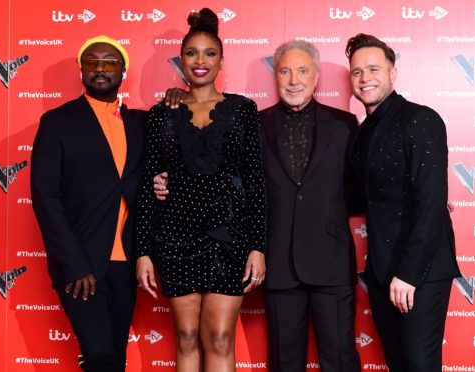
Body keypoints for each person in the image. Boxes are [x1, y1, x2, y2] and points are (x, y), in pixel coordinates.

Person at [156, 40, 361, 372]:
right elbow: (218, 173)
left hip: (331, 261)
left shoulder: (345, 124)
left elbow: (363, 185)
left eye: (302, 71)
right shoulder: (252, 121)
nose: (294, 79)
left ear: (317, 76)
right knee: (284, 362)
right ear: (275, 76)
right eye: (285, 71)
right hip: (277, 261)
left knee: (340, 360)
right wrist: (169, 174)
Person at [134, 8, 266, 372]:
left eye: (209, 53)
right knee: (187, 337)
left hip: (230, 238)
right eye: (192, 53)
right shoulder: (163, 113)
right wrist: (143, 250)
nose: (200, 60)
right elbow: (149, 183)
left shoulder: (242, 109)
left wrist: (258, 245)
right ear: (181, 60)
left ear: (221, 60)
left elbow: (255, 180)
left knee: (220, 338)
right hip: (175, 238)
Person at [345, 33, 460, 372]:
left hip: (419, 272)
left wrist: (408, 275)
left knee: (419, 366)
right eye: (357, 71)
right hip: (382, 271)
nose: (365, 78)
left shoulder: (421, 119)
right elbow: (359, 199)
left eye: (373, 69)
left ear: (393, 74)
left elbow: (430, 201)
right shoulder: (362, 132)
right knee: (398, 365)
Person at [31, 35, 145, 372]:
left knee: (115, 356)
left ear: (122, 71)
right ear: (81, 70)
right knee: (98, 355)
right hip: (81, 265)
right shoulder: (58, 122)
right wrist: (74, 264)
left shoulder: (140, 123)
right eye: (91, 61)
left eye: (109, 62)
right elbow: (45, 198)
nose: (100, 68)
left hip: (127, 263)